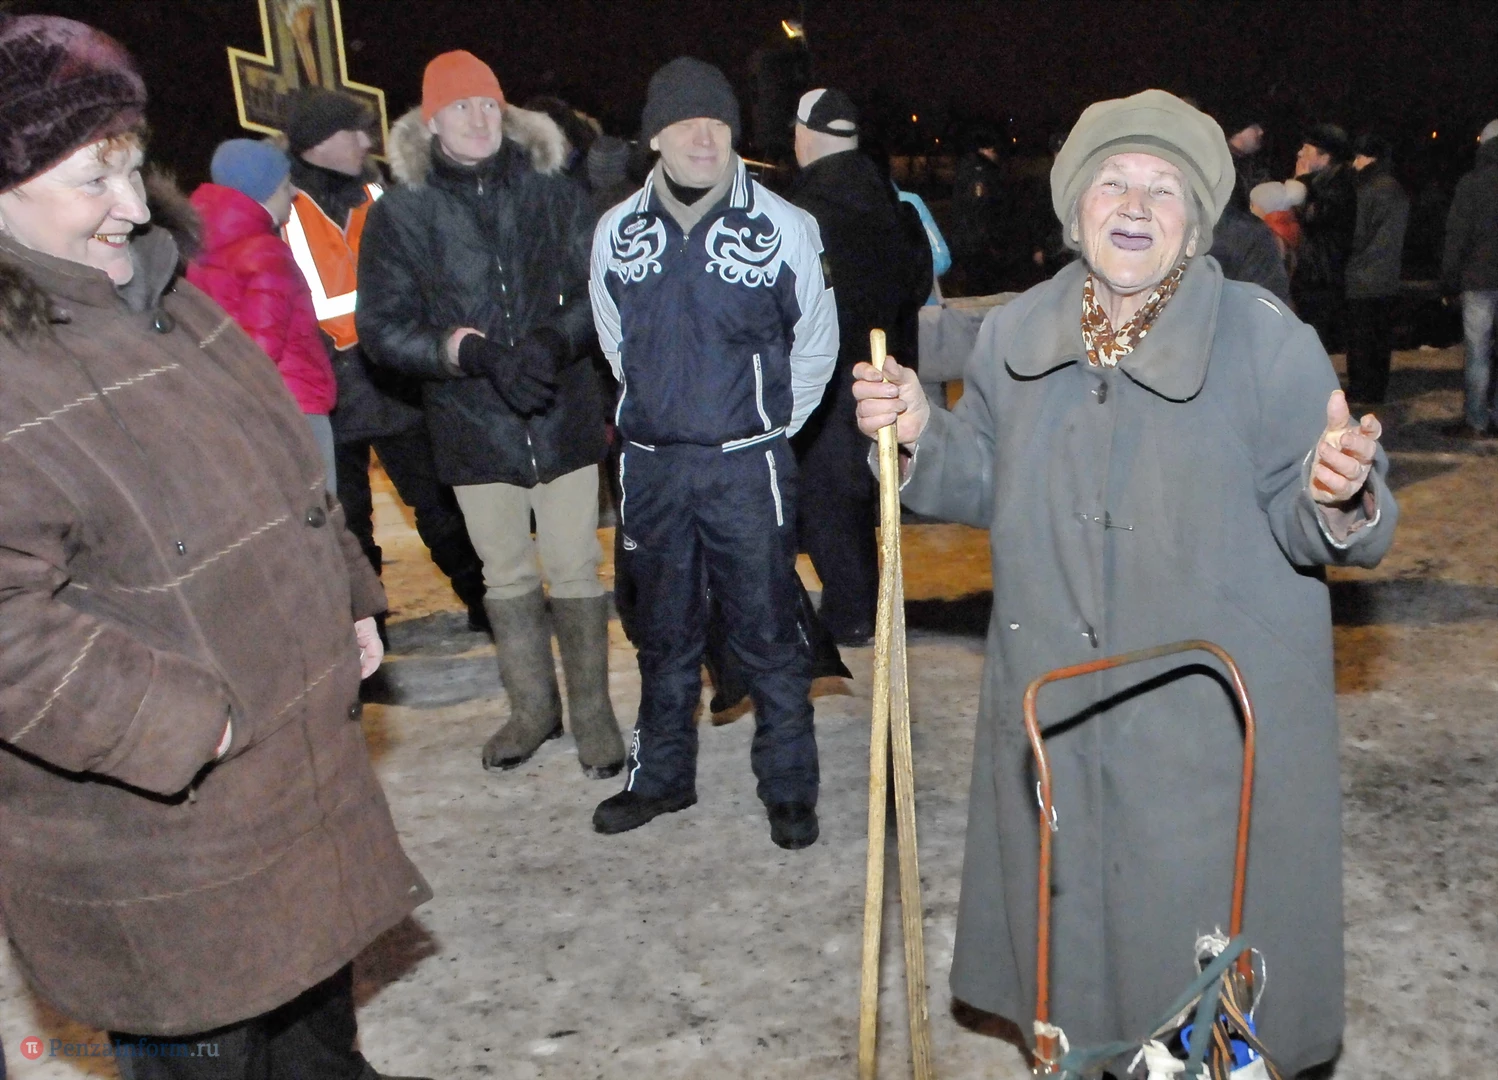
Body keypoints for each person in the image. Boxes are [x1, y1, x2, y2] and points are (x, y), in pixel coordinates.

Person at [852, 89, 1397, 1077]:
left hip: (1206, 733)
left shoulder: (1263, 339)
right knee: (1076, 960)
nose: (1136, 205)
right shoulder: (1016, 332)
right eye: (1113, 182)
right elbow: (986, 475)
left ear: (1195, 220)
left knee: (1193, 972)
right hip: (1058, 716)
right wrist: (926, 434)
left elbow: (1316, 509)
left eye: (1163, 188)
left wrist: (1338, 491)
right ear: (1076, 208)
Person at [0, 15, 430, 1077]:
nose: (131, 205)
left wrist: (347, 593)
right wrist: (189, 724)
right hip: (163, 828)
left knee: (318, 1044)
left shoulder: (167, 298)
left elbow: (286, 466)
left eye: (133, 167)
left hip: (290, 789)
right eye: (91, 180)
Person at [589, 57, 837, 847]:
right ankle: (661, 777)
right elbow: (614, 342)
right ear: (654, 136)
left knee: (768, 630)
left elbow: (816, 347)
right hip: (652, 467)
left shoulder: (785, 227)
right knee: (661, 632)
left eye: (719, 123)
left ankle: (789, 787)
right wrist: (663, 410)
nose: (705, 137)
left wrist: (765, 428)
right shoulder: (616, 232)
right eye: (686, 123)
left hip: (747, 465)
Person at [358, 50, 623, 778]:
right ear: (431, 121)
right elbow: (381, 327)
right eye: (459, 106)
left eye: (486, 104)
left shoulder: (554, 191)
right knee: (504, 574)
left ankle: (594, 716)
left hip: (560, 411)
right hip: (471, 421)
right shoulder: (402, 212)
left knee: (574, 566)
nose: (477, 118)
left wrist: (553, 340)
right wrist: (463, 351)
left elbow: (599, 290)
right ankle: (532, 710)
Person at [283, 86, 490, 634]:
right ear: (318, 142)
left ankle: (485, 601)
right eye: (352, 130)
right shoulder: (283, 205)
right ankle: (366, 630)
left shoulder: (379, 192)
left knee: (437, 500)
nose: (364, 140)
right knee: (347, 518)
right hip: (324, 386)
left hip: (391, 375)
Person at [787, 87, 929, 645]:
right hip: (888, 376)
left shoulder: (801, 213)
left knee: (826, 499)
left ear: (803, 136)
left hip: (822, 383)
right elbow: (916, 284)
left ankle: (851, 613)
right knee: (860, 495)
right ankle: (864, 606)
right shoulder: (892, 204)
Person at [187, 138, 338, 486]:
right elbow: (260, 351)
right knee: (319, 504)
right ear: (265, 192)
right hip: (292, 405)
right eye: (286, 185)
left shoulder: (202, 252)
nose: (295, 193)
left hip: (238, 409)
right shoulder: (267, 254)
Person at [1439, 119, 1498, 437]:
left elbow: (1457, 234)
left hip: (1479, 277)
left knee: (1478, 352)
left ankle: (1476, 420)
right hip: (1483, 276)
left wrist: (1449, 279)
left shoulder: (1472, 182)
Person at [1345, 133, 1410, 406]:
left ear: (1367, 157)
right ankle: (1376, 390)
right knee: (1380, 338)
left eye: (1358, 157)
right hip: (1388, 273)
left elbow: (1357, 232)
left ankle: (1361, 390)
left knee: (1361, 337)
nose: (1354, 164)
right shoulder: (1395, 187)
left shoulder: (1367, 189)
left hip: (1362, 273)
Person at [1292, 123, 1358, 351]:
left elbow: (1313, 216)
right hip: (1311, 276)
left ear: (1324, 157)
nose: (1299, 154)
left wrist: (1301, 184)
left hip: (1321, 279)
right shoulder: (1322, 183)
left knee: (1312, 343)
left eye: (1307, 149)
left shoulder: (1339, 186)